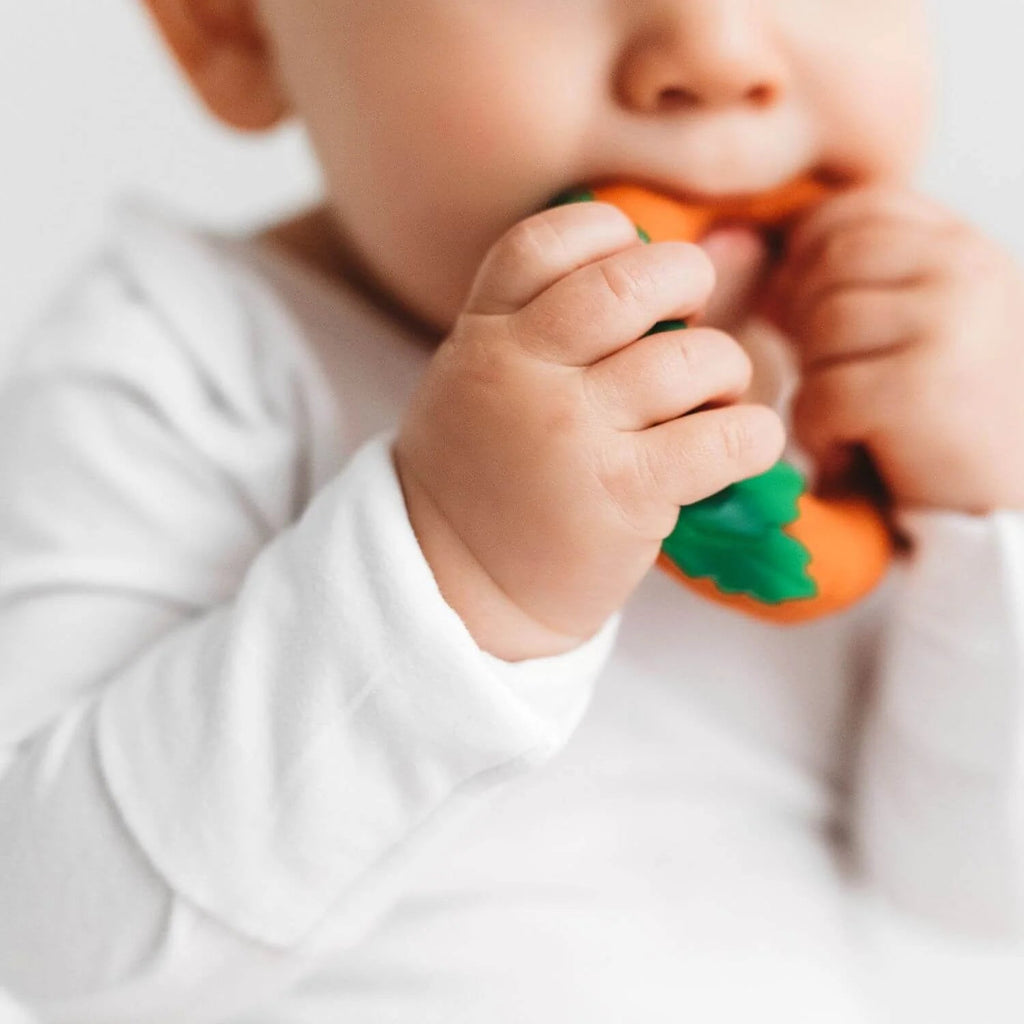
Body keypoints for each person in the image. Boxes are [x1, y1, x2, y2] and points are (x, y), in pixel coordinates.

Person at [2, 1, 1023, 1020]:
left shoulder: (864, 391)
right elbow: (57, 938)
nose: (717, 53)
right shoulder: (182, 362)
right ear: (236, 29)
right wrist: (456, 569)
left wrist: (997, 512)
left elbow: (971, 887)